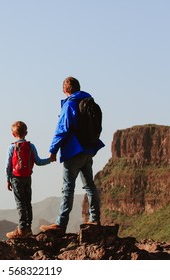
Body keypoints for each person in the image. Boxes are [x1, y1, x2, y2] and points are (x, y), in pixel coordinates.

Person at [40, 77, 105, 234]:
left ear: (65, 90)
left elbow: (63, 129)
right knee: (89, 185)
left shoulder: (70, 104)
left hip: (73, 152)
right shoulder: (90, 103)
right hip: (88, 151)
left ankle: (60, 224)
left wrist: (53, 150)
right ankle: (95, 219)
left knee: (68, 188)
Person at [5, 121, 51, 238]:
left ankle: (21, 229)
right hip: (27, 177)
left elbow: (8, 166)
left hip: (16, 178)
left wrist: (8, 180)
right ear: (26, 133)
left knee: (20, 203)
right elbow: (39, 162)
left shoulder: (12, 147)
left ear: (13, 134)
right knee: (27, 203)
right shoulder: (31, 146)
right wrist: (50, 159)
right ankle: (28, 228)